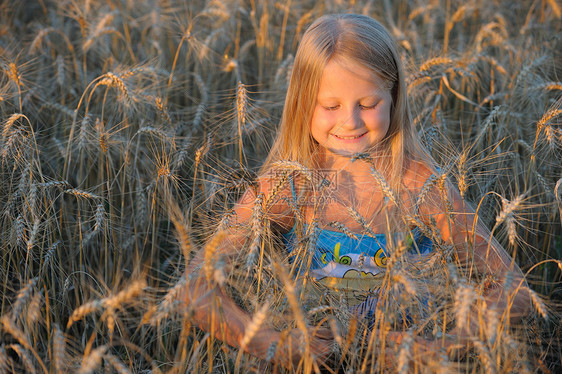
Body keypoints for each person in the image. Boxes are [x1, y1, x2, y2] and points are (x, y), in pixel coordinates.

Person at [180, 13, 530, 371]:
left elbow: (514, 291)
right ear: (301, 104)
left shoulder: (422, 187)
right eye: (330, 106)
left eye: (367, 104)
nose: (351, 121)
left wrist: (443, 346)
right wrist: (273, 344)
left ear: (393, 96)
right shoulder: (287, 188)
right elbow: (193, 290)